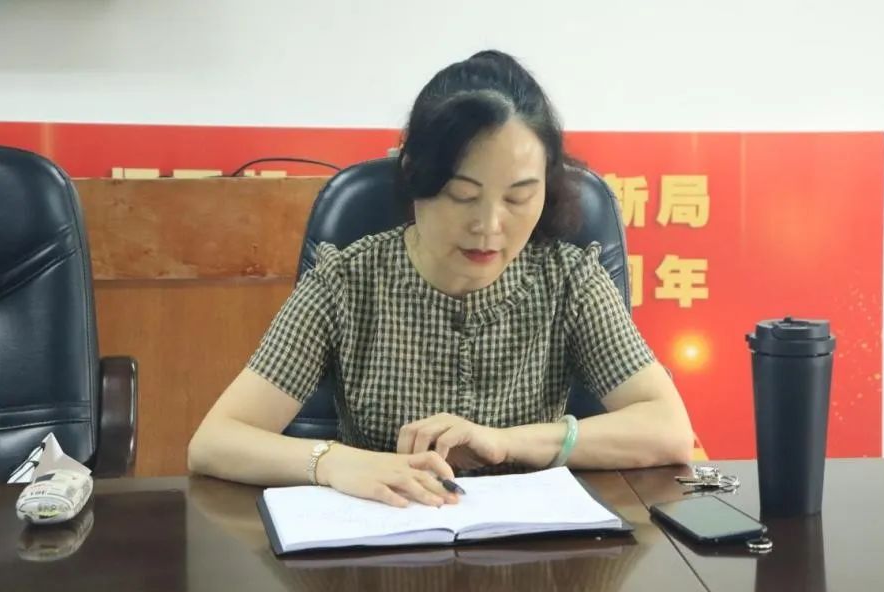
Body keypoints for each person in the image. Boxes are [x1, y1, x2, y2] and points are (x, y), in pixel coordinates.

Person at [188, 50, 693, 507]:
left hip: (531, 553)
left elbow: (668, 430)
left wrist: (508, 442)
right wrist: (335, 462)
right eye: (462, 195)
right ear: (416, 175)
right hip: (383, 545)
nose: (489, 226)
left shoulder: (569, 280)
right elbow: (215, 441)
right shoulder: (347, 282)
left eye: (518, 197)